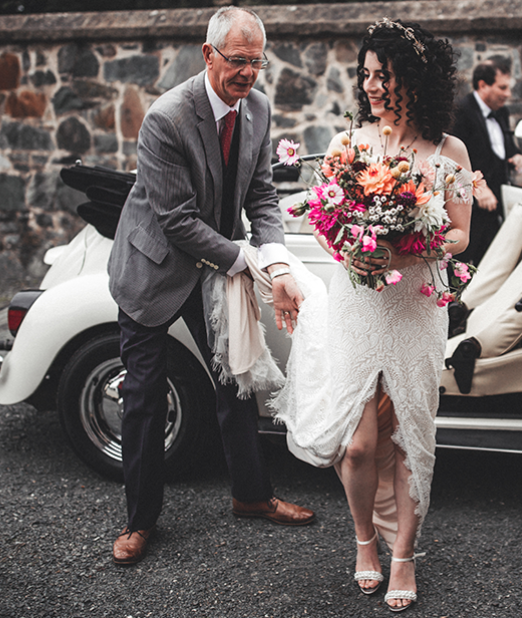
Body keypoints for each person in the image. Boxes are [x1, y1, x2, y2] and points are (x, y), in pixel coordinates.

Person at [270, 18, 472, 612]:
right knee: (358, 445)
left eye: (382, 75)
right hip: (359, 301)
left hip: (415, 306)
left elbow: (460, 235)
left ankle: (404, 554)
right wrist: (355, 246)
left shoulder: (448, 151)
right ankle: (364, 542)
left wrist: (412, 244)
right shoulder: (348, 146)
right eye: (366, 75)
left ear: (413, 77)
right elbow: (327, 222)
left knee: (411, 434)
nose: (373, 86)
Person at [106, 6, 315, 567]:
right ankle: (139, 522)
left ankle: (251, 495)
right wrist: (245, 259)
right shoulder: (167, 117)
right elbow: (176, 220)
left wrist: (276, 258)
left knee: (237, 377)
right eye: (237, 60)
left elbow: (263, 197)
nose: (248, 73)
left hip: (216, 265)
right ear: (208, 55)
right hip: (153, 268)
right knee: (145, 399)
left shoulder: (259, 109)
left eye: (256, 62)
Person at [449, 58, 522, 265]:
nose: (508, 94)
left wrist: (517, 155)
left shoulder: (501, 111)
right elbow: (452, 159)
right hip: (471, 207)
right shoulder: (460, 111)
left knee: (494, 262)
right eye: (502, 87)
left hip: (497, 201)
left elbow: (505, 144)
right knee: (465, 263)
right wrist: (477, 188)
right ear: (483, 85)